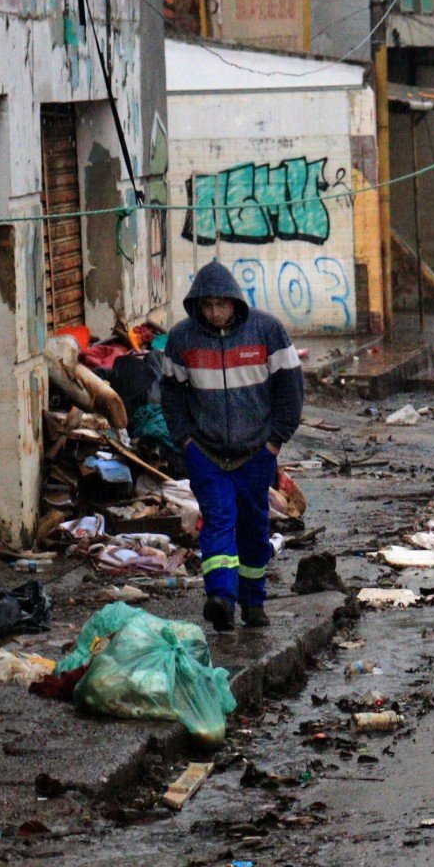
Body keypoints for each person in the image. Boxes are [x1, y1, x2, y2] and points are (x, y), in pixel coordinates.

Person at [161, 261, 303, 630]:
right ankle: (221, 598)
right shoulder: (182, 339)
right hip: (206, 453)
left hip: (256, 452)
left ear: (235, 303)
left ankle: (253, 602)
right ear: (197, 306)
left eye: (221, 305)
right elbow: (172, 397)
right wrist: (186, 442)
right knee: (219, 521)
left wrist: (274, 443)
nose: (215, 314)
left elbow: (290, 390)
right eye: (207, 306)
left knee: (253, 526)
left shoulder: (267, 331)